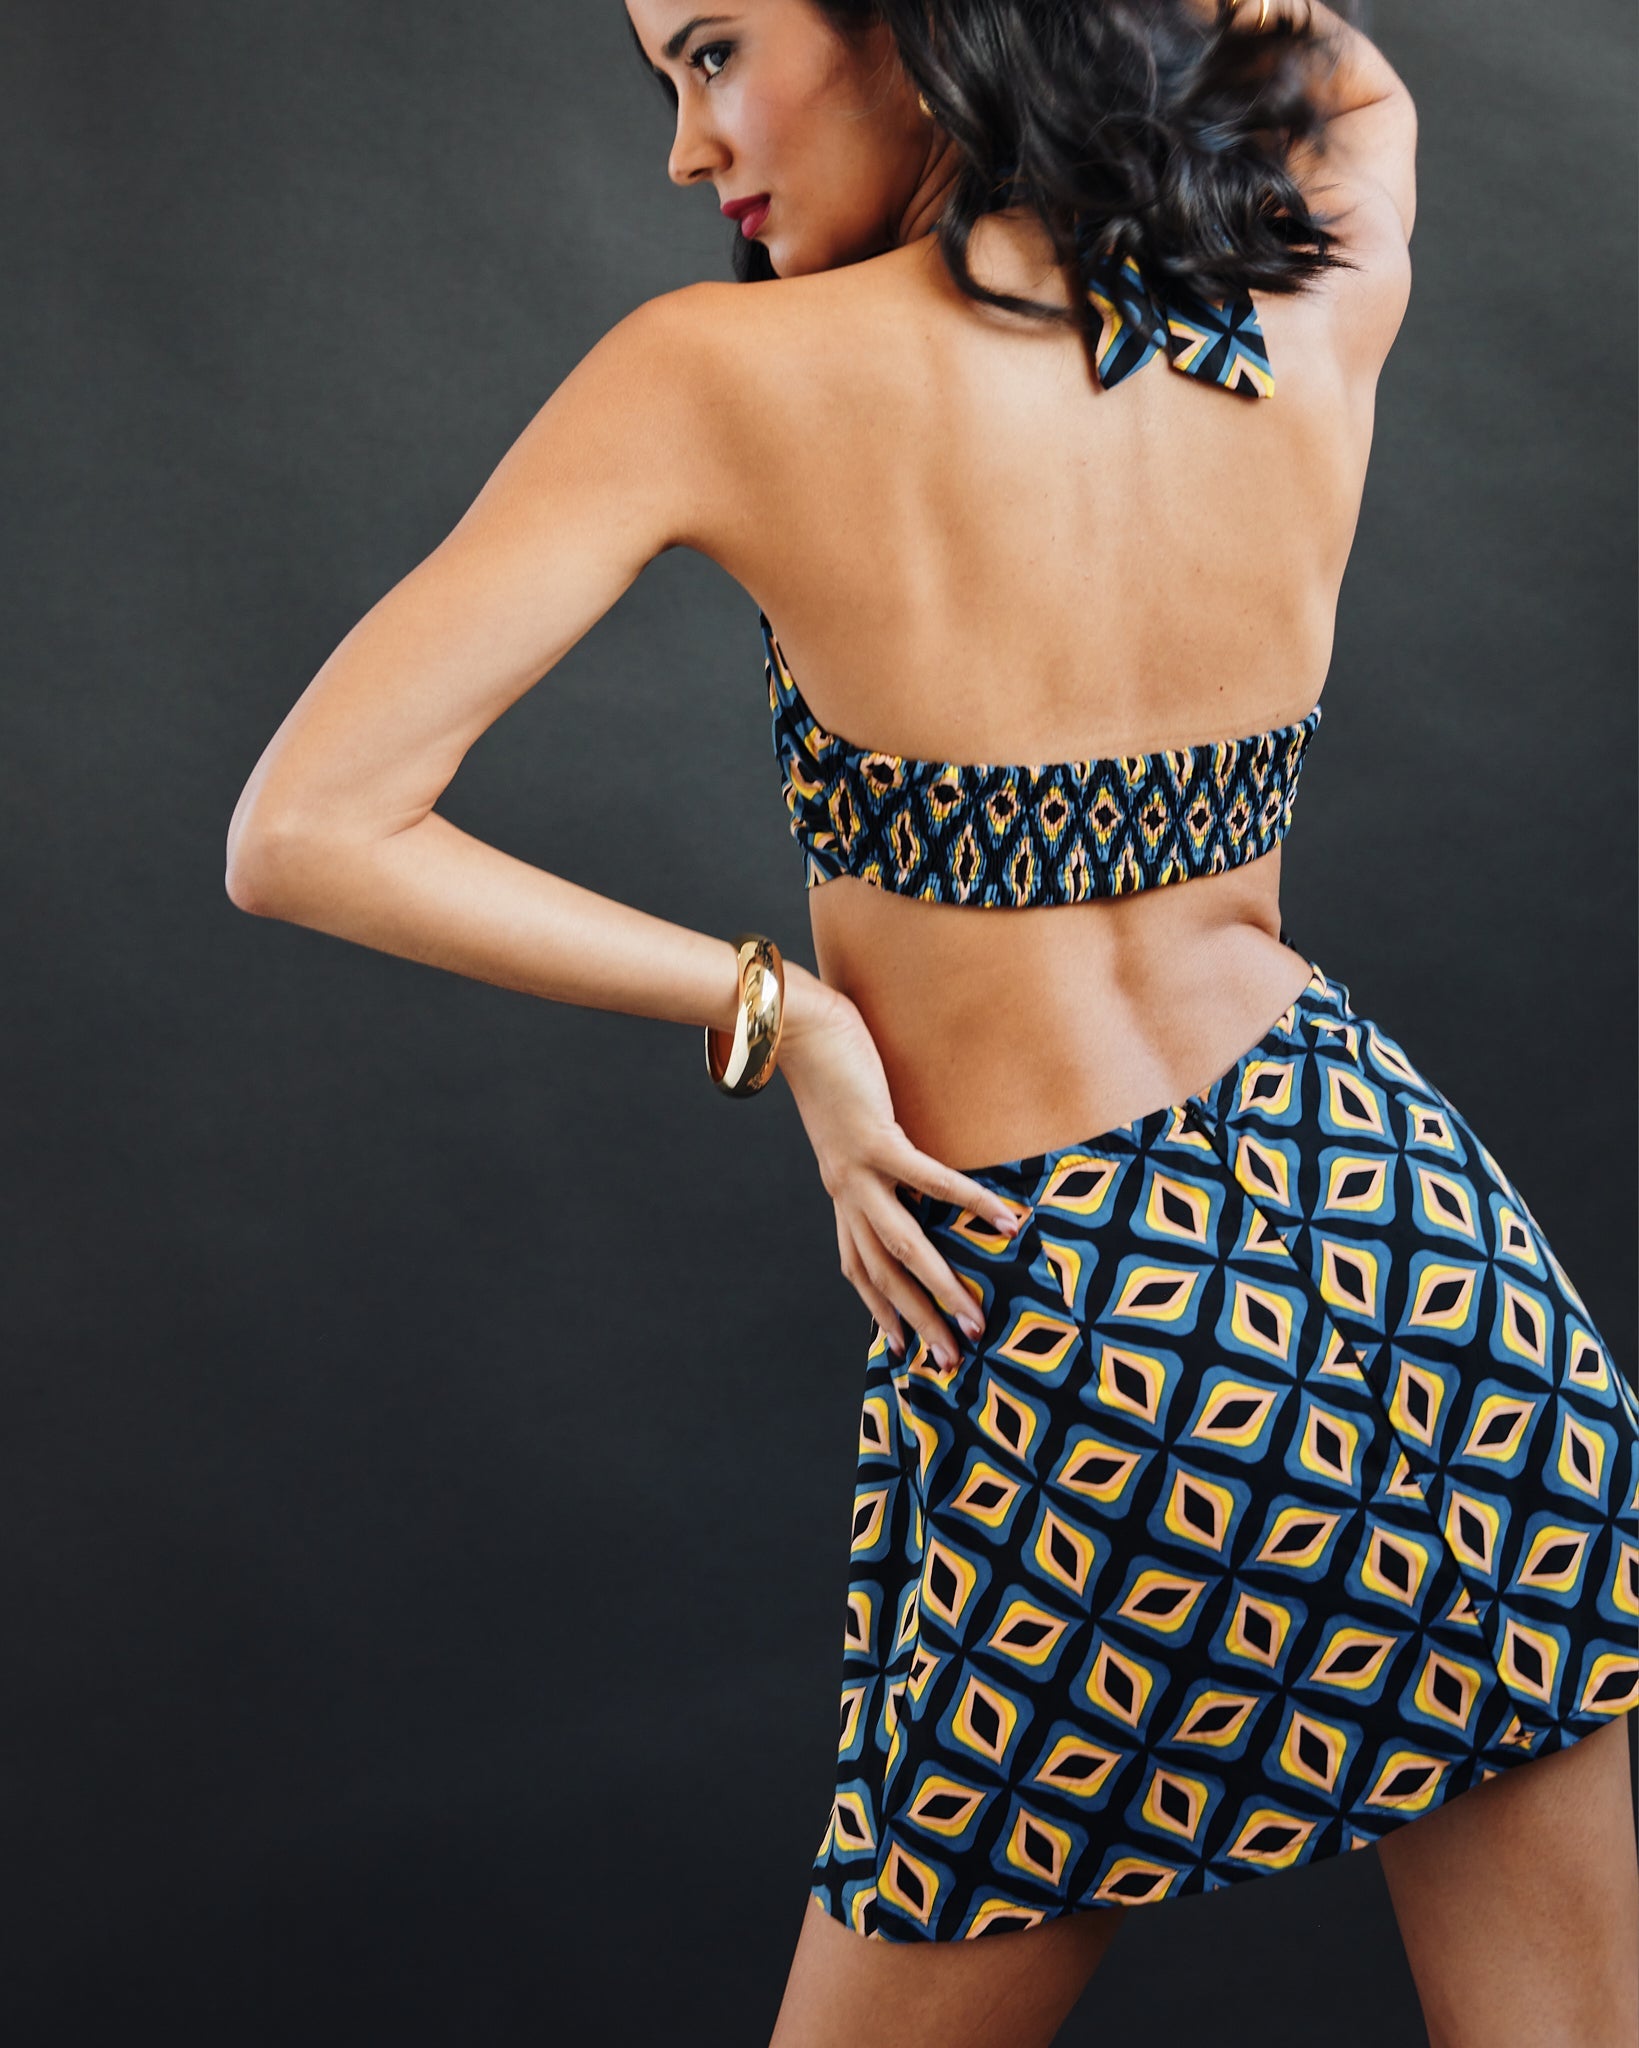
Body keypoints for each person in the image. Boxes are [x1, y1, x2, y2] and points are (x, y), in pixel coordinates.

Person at [224, 1, 1639, 2041]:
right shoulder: (1309, 270)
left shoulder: (713, 373)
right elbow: (1334, 65)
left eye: (716, 50)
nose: (689, 145)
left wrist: (779, 1008)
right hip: (1426, 1276)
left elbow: (301, 829)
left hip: (1085, 1335)